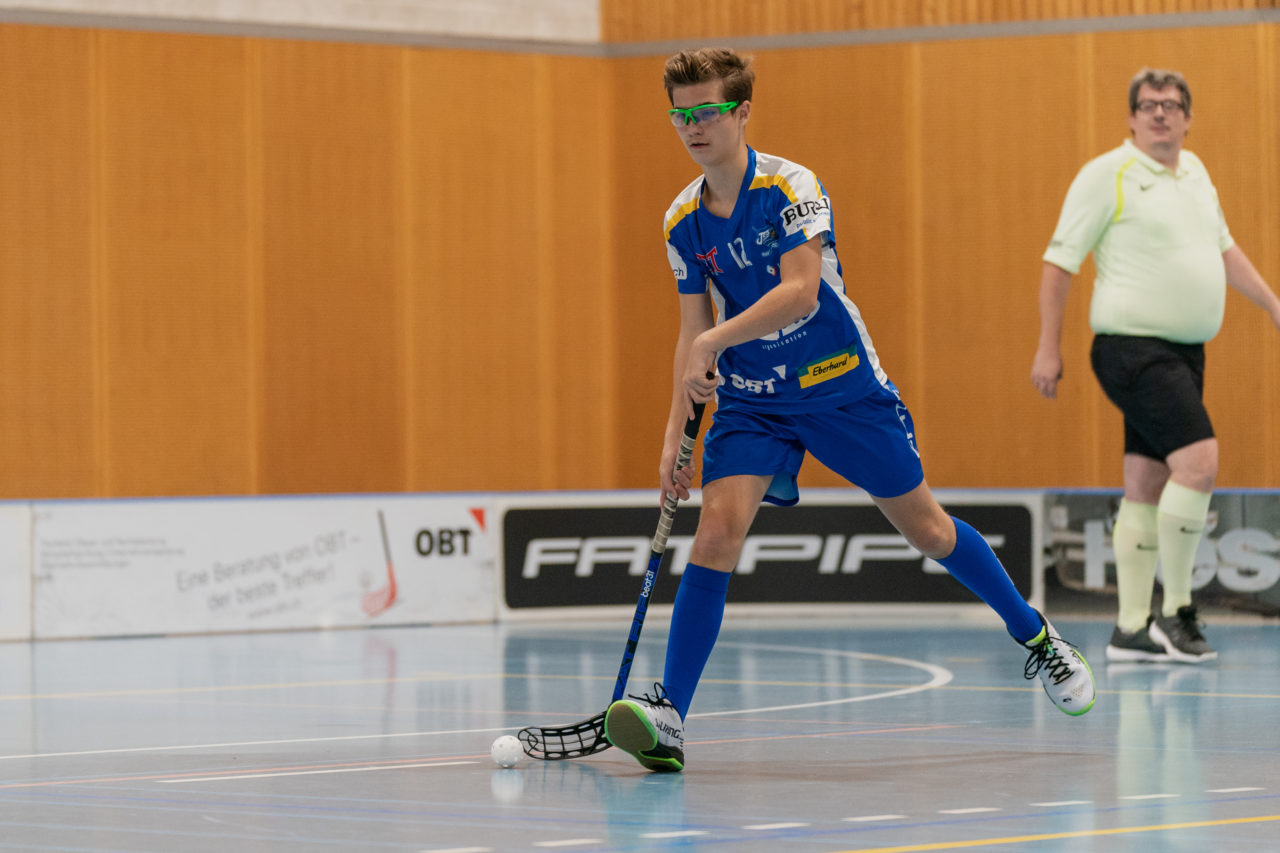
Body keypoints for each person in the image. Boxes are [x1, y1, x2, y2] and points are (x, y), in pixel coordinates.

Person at [602, 47, 1096, 774]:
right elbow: (689, 332)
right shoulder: (682, 220)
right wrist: (675, 432)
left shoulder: (793, 186)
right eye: (680, 114)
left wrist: (715, 336)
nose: (691, 127)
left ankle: (1036, 636)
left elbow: (800, 290)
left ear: (741, 112)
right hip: (753, 401)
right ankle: (671, 714)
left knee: (926, 527)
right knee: (715, 530)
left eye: (706, 112)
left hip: (841, 383)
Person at [1032, 68, 1280, 665]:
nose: (1160, 114)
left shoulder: (1195, 174)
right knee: (1198, 462)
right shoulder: (1106, 175)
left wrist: (1272, 305)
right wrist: (1048, 346)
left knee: (1145, 484)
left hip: (1184, 353)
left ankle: (1130, 630)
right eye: (1148, 105)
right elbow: (1059, 263)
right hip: (1130, 347)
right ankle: (1177, 612)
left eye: (1171, 105)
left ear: (1188, 118)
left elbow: (1222, 248)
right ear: (1133, 118)